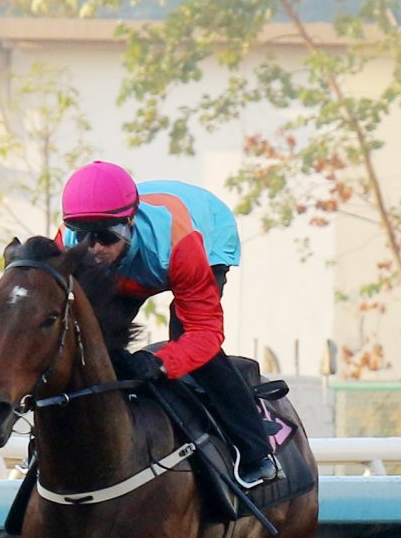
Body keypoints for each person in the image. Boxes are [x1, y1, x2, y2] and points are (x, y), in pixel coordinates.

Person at [58, 160, 278, 489]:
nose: (95, 249)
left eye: (106, 236)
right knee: (90, 343)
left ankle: (256, 452)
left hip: (202, 235)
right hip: (140, 260)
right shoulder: (65, 243)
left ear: (129, 222)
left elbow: (205, 333)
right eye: (84, 236)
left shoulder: (181, 244)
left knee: (191, 347)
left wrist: (159, 363)